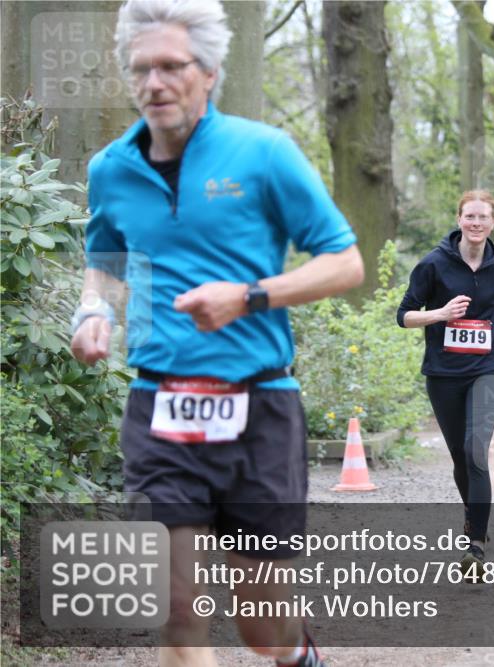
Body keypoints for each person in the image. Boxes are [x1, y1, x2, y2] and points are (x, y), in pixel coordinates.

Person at [69, 2, 363, 665]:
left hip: (259, 406)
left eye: (172, 66)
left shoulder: (263, 153)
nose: (155, 83)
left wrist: (251, 296)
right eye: (141, 69)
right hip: (159, 407)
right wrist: (94, 311)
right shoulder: (110, 169)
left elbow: (346, 262)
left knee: (264, 629)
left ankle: (297, 654)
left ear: (210, 73)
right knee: (177, 610)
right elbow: (107, 259)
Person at [397, 190, 494, 579]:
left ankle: (476, 546)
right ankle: (474, 516)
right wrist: (440, 314)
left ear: (493, 222)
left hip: (487, 369)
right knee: (460, 456)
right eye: (470, 216)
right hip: (443, 375)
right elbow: (403, 315)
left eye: (483, 217)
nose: (476, 223)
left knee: (478, 450)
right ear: (459, 219)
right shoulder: (433, 264)